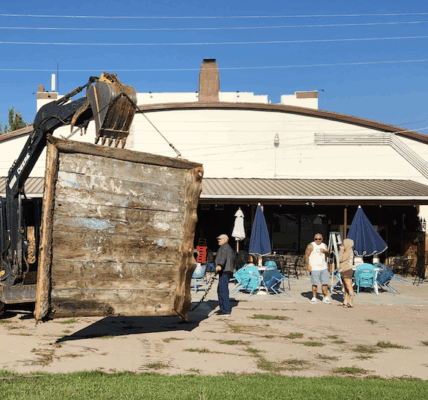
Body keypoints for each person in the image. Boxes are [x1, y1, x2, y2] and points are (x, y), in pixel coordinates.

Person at [210, 234, 234, 316]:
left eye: (220, 239)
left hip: (225, 271)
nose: (218, 240)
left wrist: (219, 265)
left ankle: (226, 310)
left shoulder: (225, 247)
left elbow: (223, 257)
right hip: (225, 271)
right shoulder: (226, 247)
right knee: (220, 290)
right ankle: (223, 308)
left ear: (225, 239)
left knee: (223, 290)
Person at [305, 233, 331, 304]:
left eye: (319, 239)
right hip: (314, 268)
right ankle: (314, 297)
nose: (318, 240)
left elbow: (329, 255)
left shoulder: (324, 245)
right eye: (316, 239)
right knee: (314, 283)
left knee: (325, 283)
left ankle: (325, 297)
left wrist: (325, 252)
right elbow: (306, 256)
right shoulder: (311, 245)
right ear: (314, 239)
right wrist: (308, 265)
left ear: (322, 239)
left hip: (324, 267)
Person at [338, 238, 355, 308]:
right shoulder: (347, 251)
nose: (342, 245)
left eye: (344, 244)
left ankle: (350, 302)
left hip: (346, 270)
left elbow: (340, 258)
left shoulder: (348, 251)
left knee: (348, 286)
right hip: (343, 270)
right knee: (345, 287)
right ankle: (345, 301)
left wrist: (341, 250)